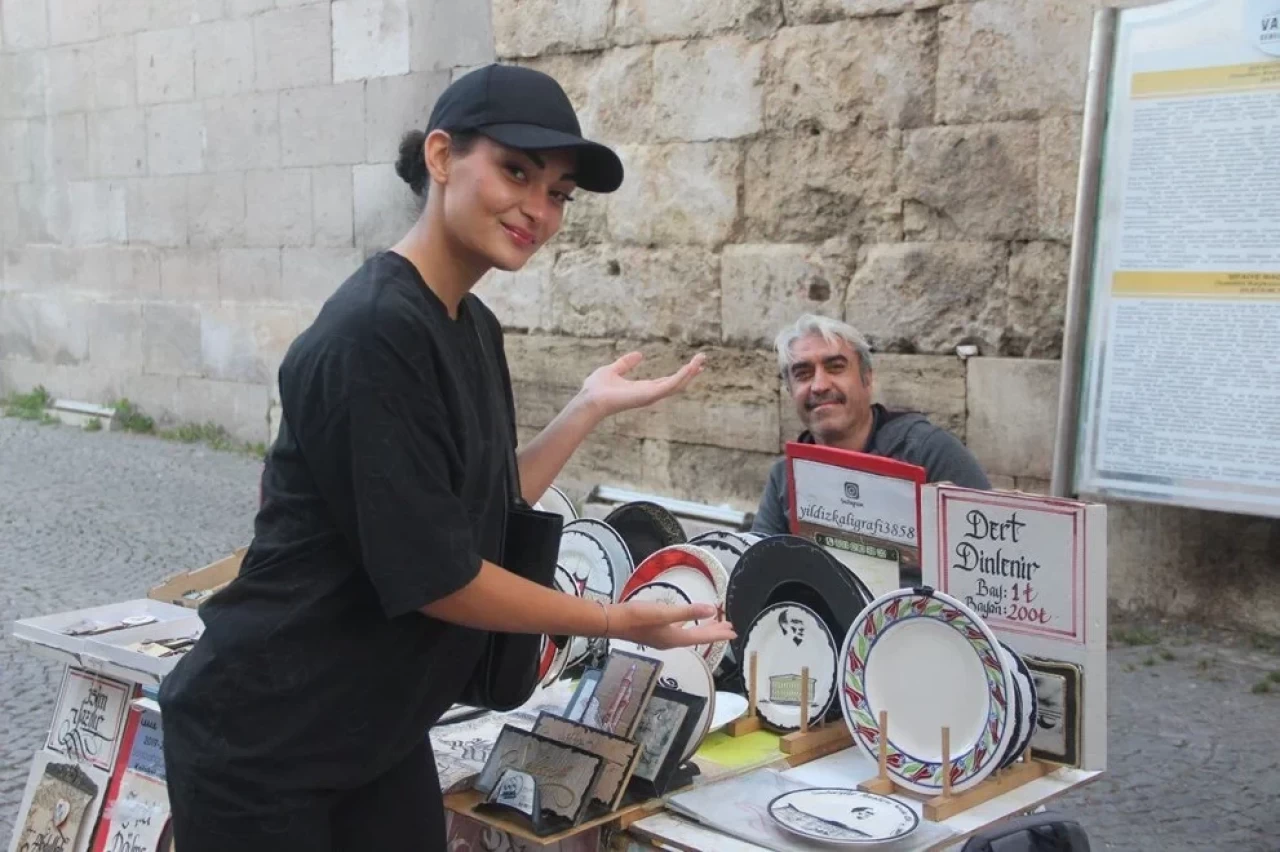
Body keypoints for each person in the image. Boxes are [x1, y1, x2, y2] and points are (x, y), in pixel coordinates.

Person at [158, 64, 735, 852]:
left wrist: (584, 409)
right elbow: (442, 576)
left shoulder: (469, 324)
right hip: (266, 739)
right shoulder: (372, 333)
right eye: (516, 171)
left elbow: (485, 509)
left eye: (559, 193)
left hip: (373, 730)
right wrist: (612, 620)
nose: (539, 208)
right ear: (440, 157)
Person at [752, 314, 991, 536]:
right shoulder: (785, 477)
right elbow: (759, 569)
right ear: (790, 391)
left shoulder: (928, 452)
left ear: (867, 378)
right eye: (803, 374)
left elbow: (990, 551)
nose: (819, 385)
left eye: (836, 367)